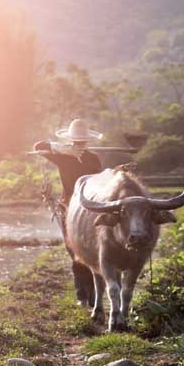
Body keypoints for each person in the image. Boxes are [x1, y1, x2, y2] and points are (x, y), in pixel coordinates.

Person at [34, 118, 104, 306]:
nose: (79, 144)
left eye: (82, 142)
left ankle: (94, 297)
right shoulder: (62, 156)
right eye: (76, 141)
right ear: (71, 141)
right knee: (75, 253)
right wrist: (62, 149)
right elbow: (38, 146)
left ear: (87, 142)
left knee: (94, 251)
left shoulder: (94, 159)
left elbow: (100, 181)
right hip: (70, 209)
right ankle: (82, 296)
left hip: (91, 209)